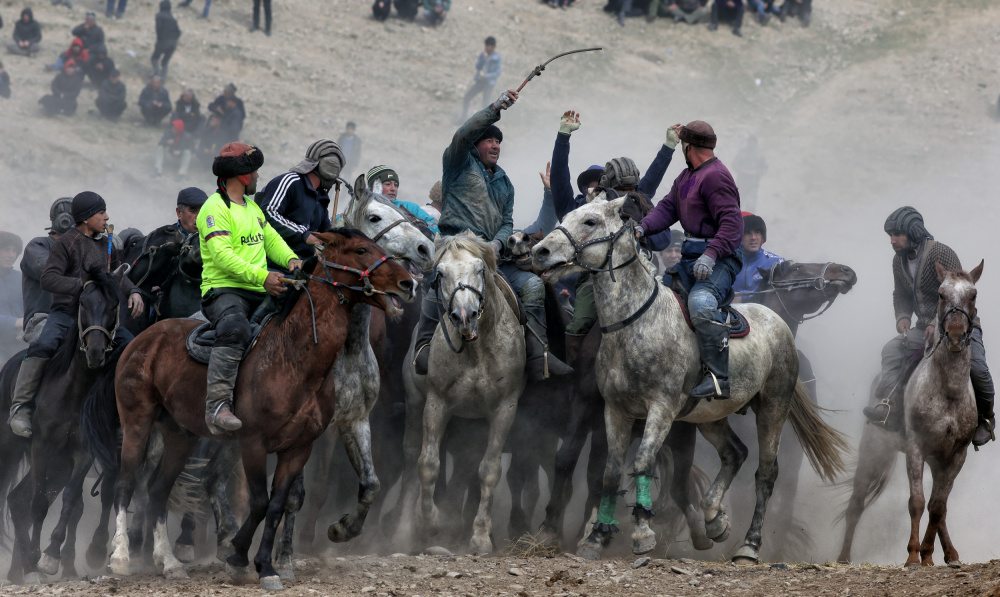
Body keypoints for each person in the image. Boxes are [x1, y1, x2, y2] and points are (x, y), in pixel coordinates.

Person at [412, 88, 573, 382]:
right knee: (441, 282)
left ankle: (539, 354)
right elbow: (462, 134)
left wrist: (498, 242)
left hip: (490, 256)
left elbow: (507, 221)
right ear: (476, 144)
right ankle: (423, 346)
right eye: (489, 139)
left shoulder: (505, 183)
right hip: (456, 247)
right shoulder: (458, 163)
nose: (496, 145)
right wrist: (496, 107)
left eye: (498, 141)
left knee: (533, 286)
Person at [8, 191, 143, 438]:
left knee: (132, 348)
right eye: (101, 212)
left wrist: (133, 291)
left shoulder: (105, 244)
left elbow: (115, 276)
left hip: (95, 316)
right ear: (86, 217)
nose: (106, 217)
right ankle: (21, 407)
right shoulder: (65, 243)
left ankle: (123, 414)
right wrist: (82, 285)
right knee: (43, 345)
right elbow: (48, 278)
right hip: (65, 313)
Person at [549, 109, 677, 358]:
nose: (597, 188)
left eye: (601, 183)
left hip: (641, 274)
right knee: (580, 323)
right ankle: (570, 377)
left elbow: (649, 184)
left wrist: (668, 147)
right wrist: (563, 137)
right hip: (593, 277)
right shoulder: (577, 210)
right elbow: (559, 181)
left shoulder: (634, 204)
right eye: (591, 184)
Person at [863, 207, 995, 446]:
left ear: (912, 233)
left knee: (977, 368)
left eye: (897, 234)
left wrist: (937, 323)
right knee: (891, 351)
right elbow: (900, 293)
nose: (892, 240)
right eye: (890, 235)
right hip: (923, 328)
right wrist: (902, 316)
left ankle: (986, 419)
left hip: (960, 328)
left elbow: (955, 293)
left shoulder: (942, 253)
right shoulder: (898, 260)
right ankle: (888, 407)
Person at [197, 143, 302, 433]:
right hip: (224, 290)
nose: (258, 176)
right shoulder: (213, 209)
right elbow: (222, 256)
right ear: (244, 176)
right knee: (235, 328)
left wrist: (292, 259)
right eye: (254, 171)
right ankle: (217, 406)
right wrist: (263, 277)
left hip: (258, 286)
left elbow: (271, 240)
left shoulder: (253, 208)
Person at [637, 120, 743, 399]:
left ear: (688, 147)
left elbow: (732, 226)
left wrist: (711, 254)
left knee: (700, 302)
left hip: (720, 259)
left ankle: (720, 379)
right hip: (691, 258)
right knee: (657, 298)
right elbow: (667, 208)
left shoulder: (716, 176)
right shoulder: (686, 177)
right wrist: (642, 227)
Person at [257, 139, 343, 261]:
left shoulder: (322, 196)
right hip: (276, 263)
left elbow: (324, 230)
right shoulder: (290, 181)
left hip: (303, 264)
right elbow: (267, 213)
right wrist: (303, 234)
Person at [21, 198, 75, 338]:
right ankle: (34, 360)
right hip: (42, 320)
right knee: (49, 344)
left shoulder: (80, 250)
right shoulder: (38, 245)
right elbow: (49, 270)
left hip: (73, 319)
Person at [365, 166, 440, 234]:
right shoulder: (366, 211)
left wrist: (417, 230)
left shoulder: (410, 207)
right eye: (388, 184)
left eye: (396, 185)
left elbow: (435, 226)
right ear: (374, 187)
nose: (393, 189)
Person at [732, 212, 782, 293]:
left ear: (763, 236)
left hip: (764, 305)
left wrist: (742, 296)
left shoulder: (777, 262)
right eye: (748, 233)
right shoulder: (728, 262)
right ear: (739, 237)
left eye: (757, 232)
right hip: (728, 305)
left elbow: (781, 293)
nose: (753, 237)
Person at [460, 37, 501, 122]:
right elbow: (477, 66)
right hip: (480, 82)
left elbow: (497, 73)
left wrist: (487, 76)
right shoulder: (483, 55)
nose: (486, 47)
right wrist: (484, 59)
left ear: (493, 46)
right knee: (467, 97)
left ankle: (486, 122)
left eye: (488, 46)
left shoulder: (496, 58)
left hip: (489, 84)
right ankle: (463, 117)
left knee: (485, 103)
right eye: (486, 45)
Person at [0, 231, 25, 363]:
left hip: (23, 342)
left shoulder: (21, 278)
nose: (11, 255)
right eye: (6, 250)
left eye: (15, 251)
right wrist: (14, 322)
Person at [732, 135, 767, 212]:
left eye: (753, 142)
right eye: (750, 141)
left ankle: (749, 222)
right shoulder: (742, 153)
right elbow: (734, 164)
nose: (751, 143)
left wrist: (756, 172)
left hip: (753, 184)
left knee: (751, 205)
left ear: (755, 143)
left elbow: (765, 168)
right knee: (738, 203)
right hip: (741, 182)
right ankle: (736, 222)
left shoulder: (759, 155)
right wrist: (742, 170)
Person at [151, 1, 181, 78]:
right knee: (165, 62)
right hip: (173, 42)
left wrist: (159, 40)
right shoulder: (173, 18)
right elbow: (178, 32)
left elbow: (158, 29)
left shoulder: (159, 16)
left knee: (154, 58)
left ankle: (157, 75)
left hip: (163, 40)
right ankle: (162, 80)